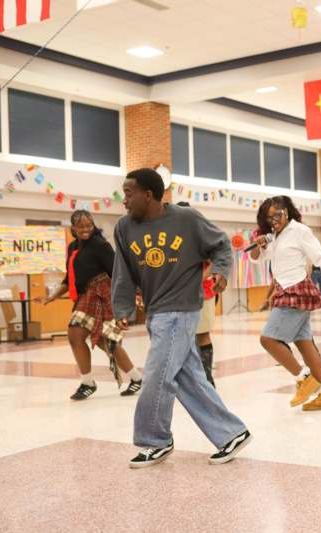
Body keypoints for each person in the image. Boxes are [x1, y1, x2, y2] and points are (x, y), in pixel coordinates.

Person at [112, 168, 250, 468]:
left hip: (181, 308)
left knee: (156, 376)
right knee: (188, 378)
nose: (124, 200)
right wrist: (122, 309)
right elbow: (122, 271)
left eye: (129, 193)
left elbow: (221, 245)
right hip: (156, 310)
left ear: (148, 194)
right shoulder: (124, 227)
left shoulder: (186, 219)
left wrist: (220, 272)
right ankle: (231, 433)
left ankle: (154, 440)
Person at [250, 196, 321, 411]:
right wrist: (259, 245)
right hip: (283, 290)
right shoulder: (274, 236)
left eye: (277, 215)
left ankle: (304, 378)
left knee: (268, 339)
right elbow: (257, 258)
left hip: (296, 291)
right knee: (304, 343)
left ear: (287, 211)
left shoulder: (300, 231)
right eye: (269, 218)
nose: (274, 221)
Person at [40, 210, 142, 400]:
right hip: (86, 295)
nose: (85, 229)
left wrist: (134, 292)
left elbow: (117, 271)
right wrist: (51, 297)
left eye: (89, 225)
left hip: (101, 294)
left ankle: (99, 382)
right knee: (98, 341)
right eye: (81, 226)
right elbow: (69, 278)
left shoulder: (100, 245)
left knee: (90, 337)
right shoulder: (73, 248)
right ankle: (126, 379)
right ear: (73, 228)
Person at [177, 201, 216, 387]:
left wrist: (198, 278)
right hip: (180, 294)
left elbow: (214, 262)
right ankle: (194, 377)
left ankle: (207, 378)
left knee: (202, 334)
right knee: (185, 335)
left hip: (203, 292)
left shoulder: (202, 236)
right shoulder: (173, 237)